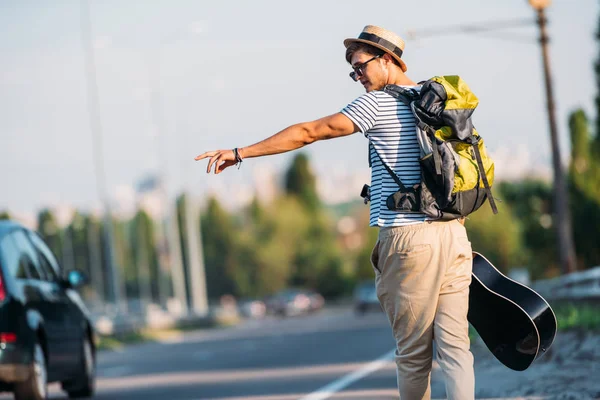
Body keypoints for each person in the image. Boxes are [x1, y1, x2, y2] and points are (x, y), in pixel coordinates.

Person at [195, 25, 475, 400]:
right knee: (456, 349)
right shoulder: (438, 102)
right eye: (353, 71)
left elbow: (312, 131)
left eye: (361, 66)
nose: (357, 76)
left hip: (410, 239)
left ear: (388, 60)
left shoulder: (377, 103)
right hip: (455, 232)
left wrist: (241, 152)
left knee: (412, 355)